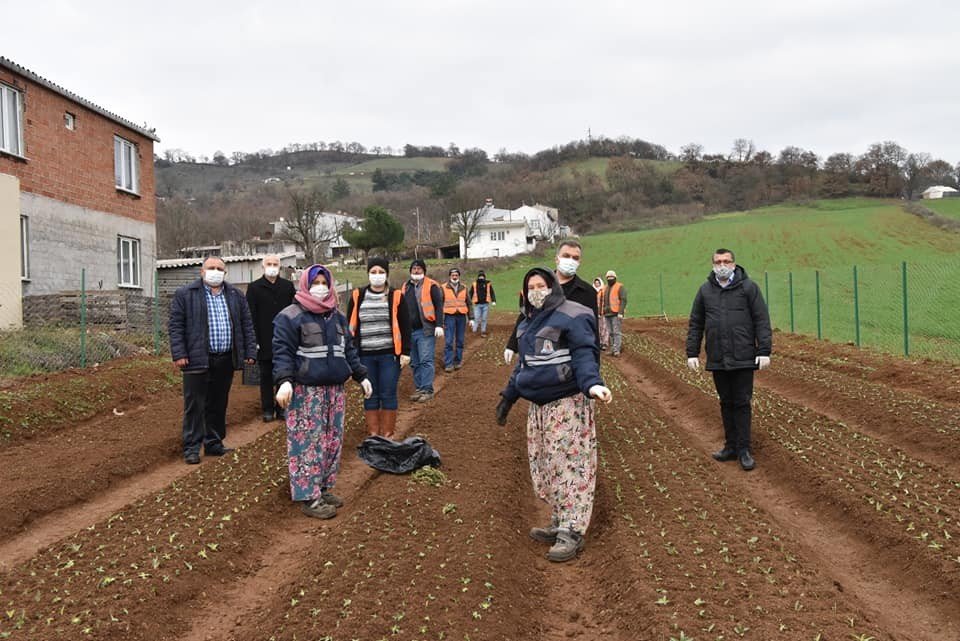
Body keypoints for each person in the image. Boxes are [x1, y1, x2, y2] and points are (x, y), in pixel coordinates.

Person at [495, 267, 612, 562]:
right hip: (539, 407)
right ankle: (560, 520)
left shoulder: (572, 314)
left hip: (566, 403)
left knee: (570, 465)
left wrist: (593, 385)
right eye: (531, 287)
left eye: (541, 286)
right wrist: (508, 397)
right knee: (548, 466)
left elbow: (584, 354)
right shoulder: (527, 322)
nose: (536, 291)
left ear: (552, 288)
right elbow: (524, 365)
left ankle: (572, 531)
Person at [273, 264, 372, 519]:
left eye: (324, 283)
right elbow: (282, 352)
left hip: (334, 390)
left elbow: (348, 351)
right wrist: (284, 381)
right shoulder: (290, 316)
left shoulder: (337, 317)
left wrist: (361, 375)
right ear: (305, 285)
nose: (320, 288)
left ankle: (324, 487)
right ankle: (309, 496)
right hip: (306, 391)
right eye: (315, 283)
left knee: (332, 441)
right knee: (308, 442)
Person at [685, 248, 772, 472]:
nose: (722, 265)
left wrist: (764, 350)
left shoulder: (748, 288)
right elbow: (696, 323)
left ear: (734, 264)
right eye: (718, 262)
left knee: (742, 402)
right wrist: (692, 352)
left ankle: (744, 449)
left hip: (743, 356)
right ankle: (730, 446)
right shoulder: (705, 290)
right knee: (726, 402)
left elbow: (761, 320)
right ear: (713, 265)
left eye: (726, 261)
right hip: (718, 357)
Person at [169, 256, 257, 465]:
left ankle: (214, 442)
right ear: (202, 271)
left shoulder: (235, 294)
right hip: (196, 359)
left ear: (225, 273)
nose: (215, 271)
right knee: (195, 405)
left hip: (225, 358)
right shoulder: (186, 294)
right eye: (211, 268)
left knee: (218, 403)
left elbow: (246, 324)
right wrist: (179, 353)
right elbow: (176, 325)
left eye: (219, 268)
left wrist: (249, 351)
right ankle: (192, 447)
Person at [346, 257, 412, 439]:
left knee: (388, 393)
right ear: (368, 274)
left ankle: (388, 435)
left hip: (389, 356)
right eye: (373, 272)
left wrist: (406, 352)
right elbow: (349, 326)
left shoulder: (396, 296)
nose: (377, 275)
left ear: (386, 274)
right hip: (364, 356)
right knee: (370, 394)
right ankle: (374, 435)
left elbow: (405, 326)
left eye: (381, 272)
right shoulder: (357, 295)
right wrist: (350, 353)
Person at [504, 239, 600, 365]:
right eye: (566, 256)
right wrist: (512, 345)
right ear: (557, 259)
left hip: (570, 356)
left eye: (575, 258)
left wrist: (595, 363)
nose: (570, 260)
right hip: (540, 354)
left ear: (579, 262)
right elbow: (525, 315)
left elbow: (593, 329)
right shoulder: (539, 286)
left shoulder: (587, 292)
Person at [246, 254, 296, 422]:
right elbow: (250, 316)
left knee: (284, 373)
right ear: (263, 266)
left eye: (275, 264)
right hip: (264, 338)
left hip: (285, 338)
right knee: (266, 376)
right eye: (269, 264)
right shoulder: (254, 288)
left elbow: (295, 311)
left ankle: (282, 408)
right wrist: (254, 341)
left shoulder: (287, 287)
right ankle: (267, 409)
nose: (272, 267)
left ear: (280, 267)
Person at [402, 259, 445, 402]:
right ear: (410, 271)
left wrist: (439, 324)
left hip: (425, 329)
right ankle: (419, 388)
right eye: (414, 268)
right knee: (414, 362)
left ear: (424, 270)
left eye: (419, 268)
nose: (416, 271)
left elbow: (439, 306)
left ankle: (427, 390)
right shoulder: (405, 287)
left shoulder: (431, 285)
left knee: (426, 360)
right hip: (409, 331)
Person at [441, 267, 473, 372]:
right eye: (453, 275)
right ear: (449, 276)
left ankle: (457, 362)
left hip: (461, 316)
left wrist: (471, 318)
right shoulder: (443, 287)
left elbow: (469, 303)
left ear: (459, 276)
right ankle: (448, 364)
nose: (454, 277)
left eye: (456, 275)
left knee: (460, 341)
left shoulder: (464, 287)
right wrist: (440, 321)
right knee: (449, 341)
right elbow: (439, 304)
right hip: (449, 316)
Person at [601, 270, 627, 357]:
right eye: (608, 277)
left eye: (611, 277)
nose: (610, 279)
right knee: (610, 332)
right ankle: (612, 349)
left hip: (616, 313)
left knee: (616, 332)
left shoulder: (620, 287)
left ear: (615, 278)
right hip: (607, 313)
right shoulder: (605, 288)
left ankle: (616, 350)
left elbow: (623, 300)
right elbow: (602, 301)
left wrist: (621, 312)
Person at [469, 270, 497, 337]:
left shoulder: (488, 284)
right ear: (478, 277)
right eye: (480, 276)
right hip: (477, 304)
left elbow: (492, 292)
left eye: (482, 276)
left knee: (484, 318)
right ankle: (474, 331)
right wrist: (468, 301)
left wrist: (493, 300)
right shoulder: (474, 284)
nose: (481, 277)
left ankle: (483, 331)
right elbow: (470, 293)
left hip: (485, 304)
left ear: (484, 277)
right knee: (476, 318)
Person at [593, 277, 609, 350]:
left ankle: (604, 343)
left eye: (598, 283)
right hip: (595, 312)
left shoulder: (604, 291)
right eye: (596, 283)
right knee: (597, 327)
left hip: (603, 312)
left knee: (604, 327)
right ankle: (598, 342)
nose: (597, 284)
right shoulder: (592, 291)